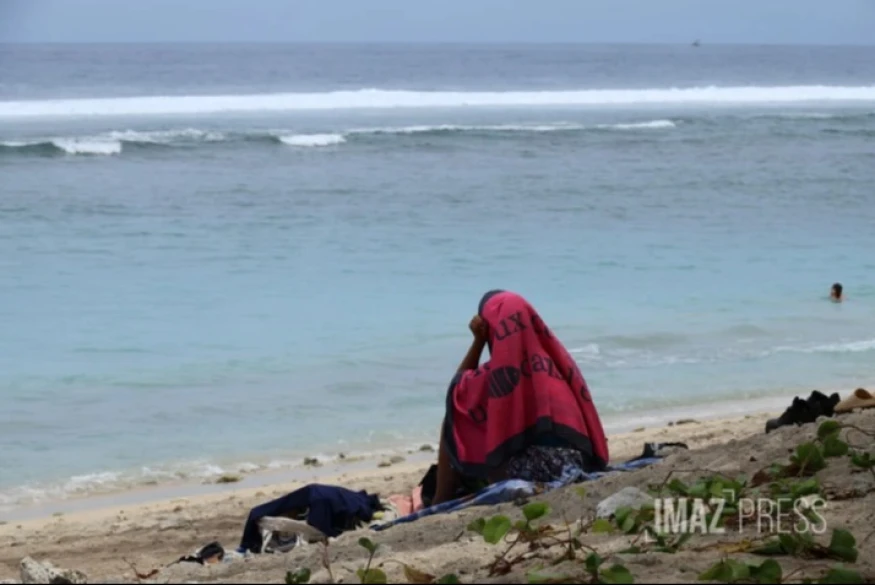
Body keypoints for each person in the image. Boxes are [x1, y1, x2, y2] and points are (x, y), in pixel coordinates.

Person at [433, 290, 609, 505]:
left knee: (454, 418)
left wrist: (478, 341)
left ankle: (441, 498)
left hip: (536, 471)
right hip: (577, 463)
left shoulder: (497, 376)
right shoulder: (556, 364)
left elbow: (456, 394)